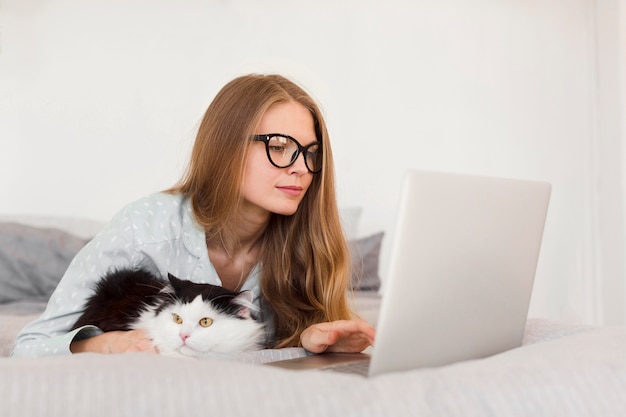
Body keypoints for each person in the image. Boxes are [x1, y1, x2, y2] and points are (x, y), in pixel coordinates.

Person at [12, 74, 375, 357]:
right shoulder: (143, 228)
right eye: (279, 147)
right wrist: (106, 345)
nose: (301, 169)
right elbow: (29, 346)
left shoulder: (309, 242)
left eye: (311, 153)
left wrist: (312, 340)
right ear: (225, 149)